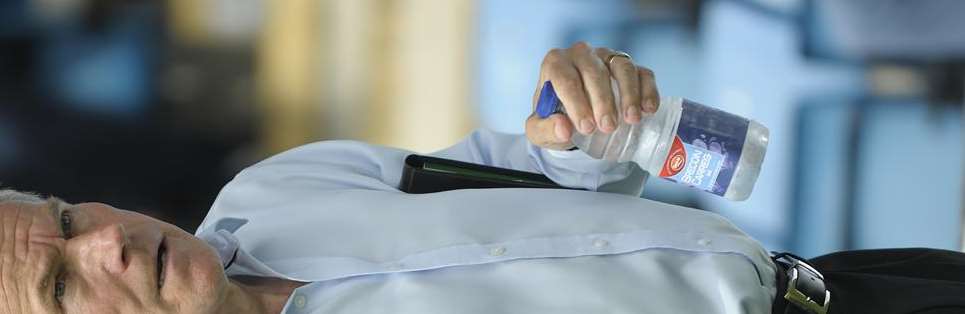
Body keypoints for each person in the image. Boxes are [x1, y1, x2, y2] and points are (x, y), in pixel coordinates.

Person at [1, 42, 963, 314]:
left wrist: (581, 126)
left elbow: (530, 178)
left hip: (856, 280)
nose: (106, 239)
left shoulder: (273, 192)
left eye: (67, 213)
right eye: (59, 285)